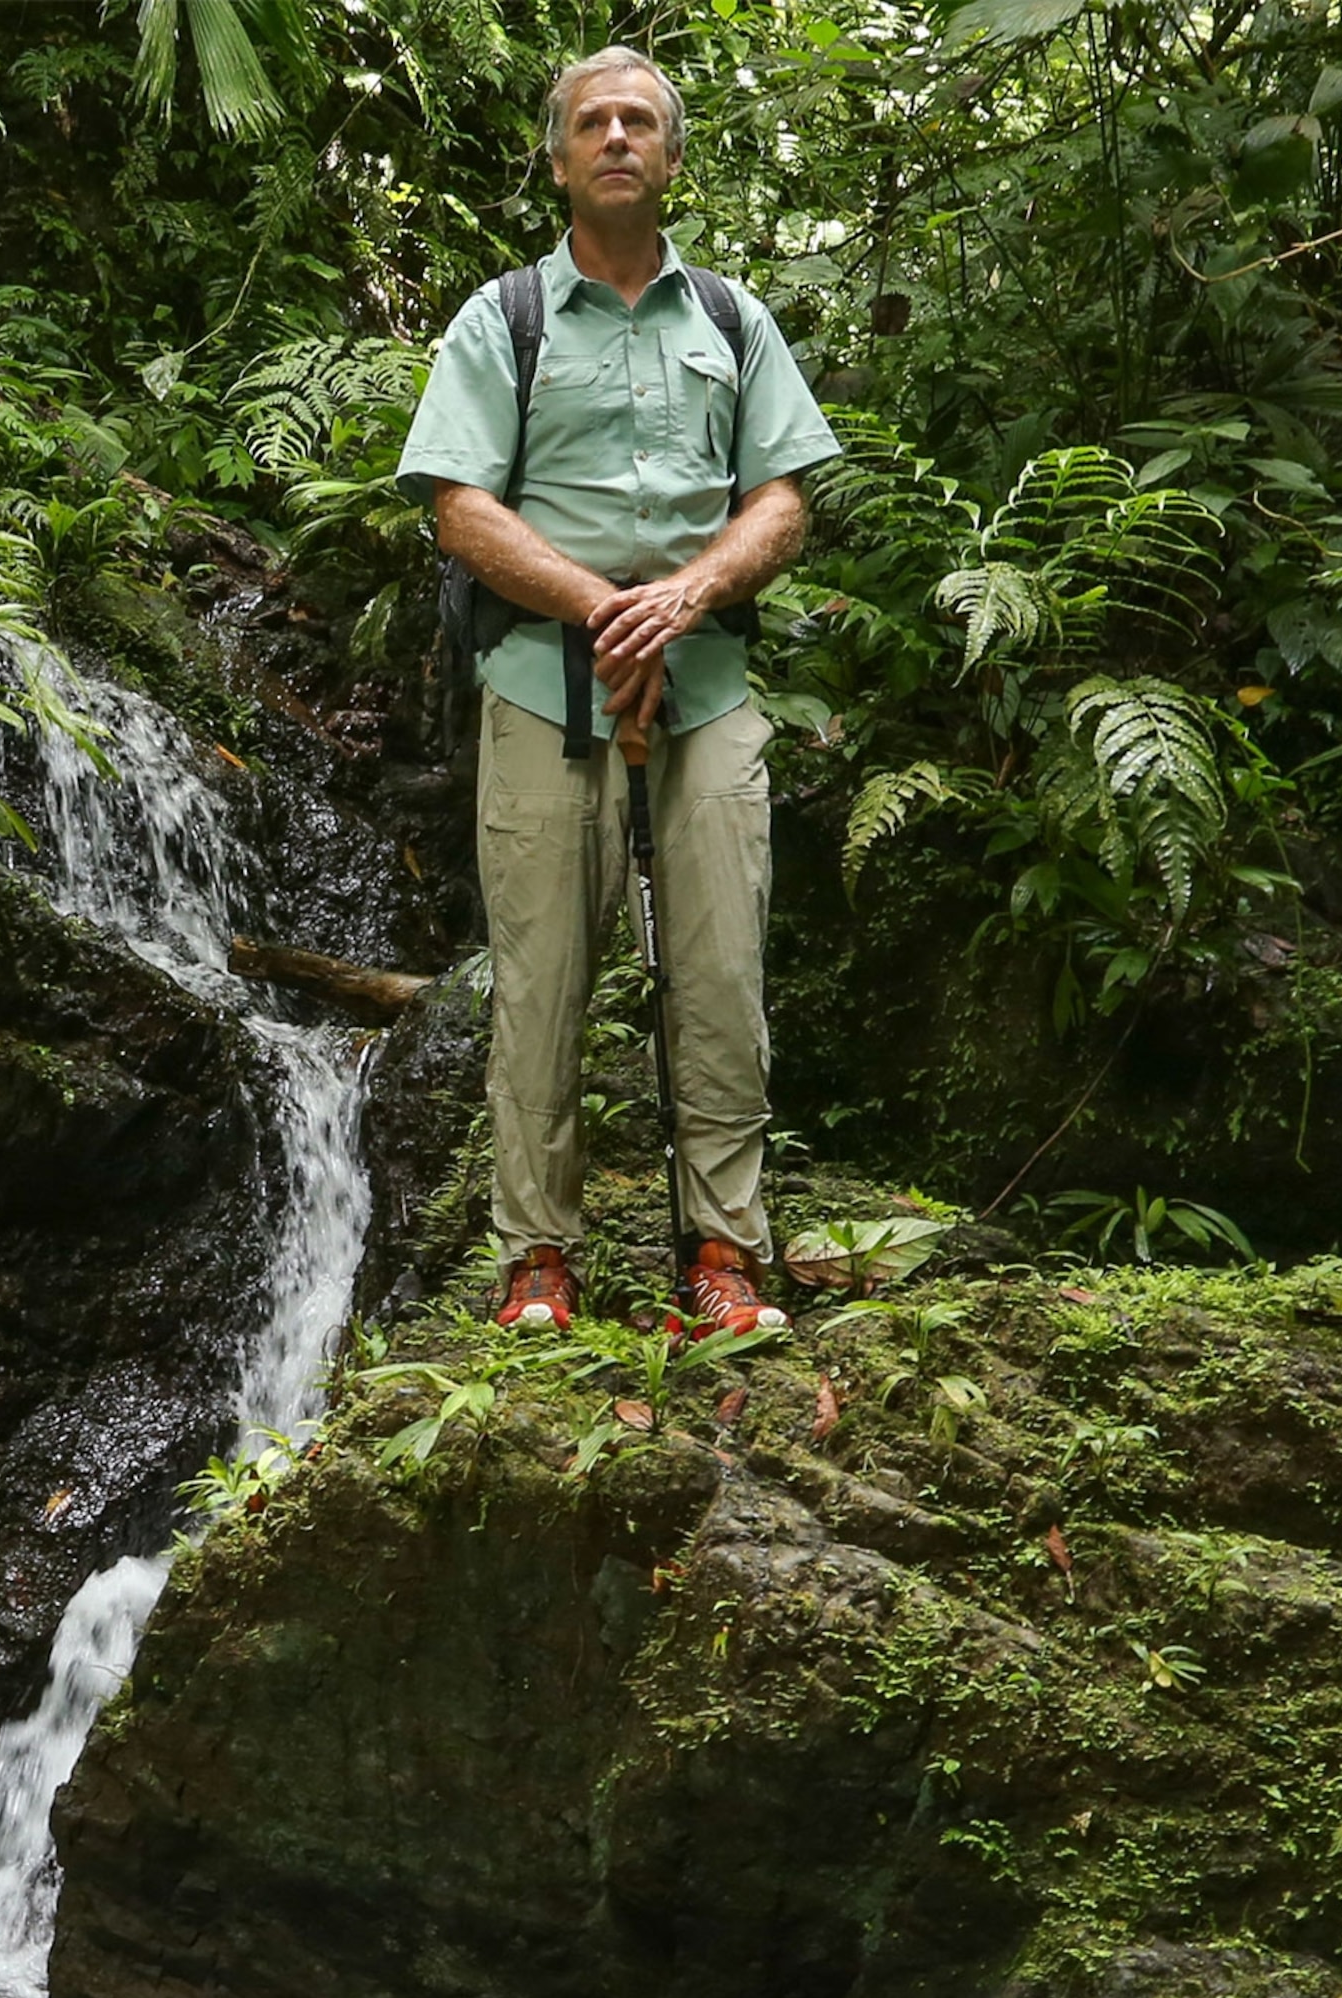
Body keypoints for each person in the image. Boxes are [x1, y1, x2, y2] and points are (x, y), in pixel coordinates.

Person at [395, 44, 838, 1337]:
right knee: (540, 983)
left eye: (642, 120)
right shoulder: (505, 321)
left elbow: (785, 500)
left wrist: (682, 603)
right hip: (544, 690)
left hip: (705, 698)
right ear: (556, 158)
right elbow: (459, 505)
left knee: (721, 974)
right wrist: (602, 607)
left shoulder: (735, 323)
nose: (618, 137)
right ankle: (539, 1260)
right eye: (593, 121)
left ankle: (724, 1258)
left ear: (676, 157)